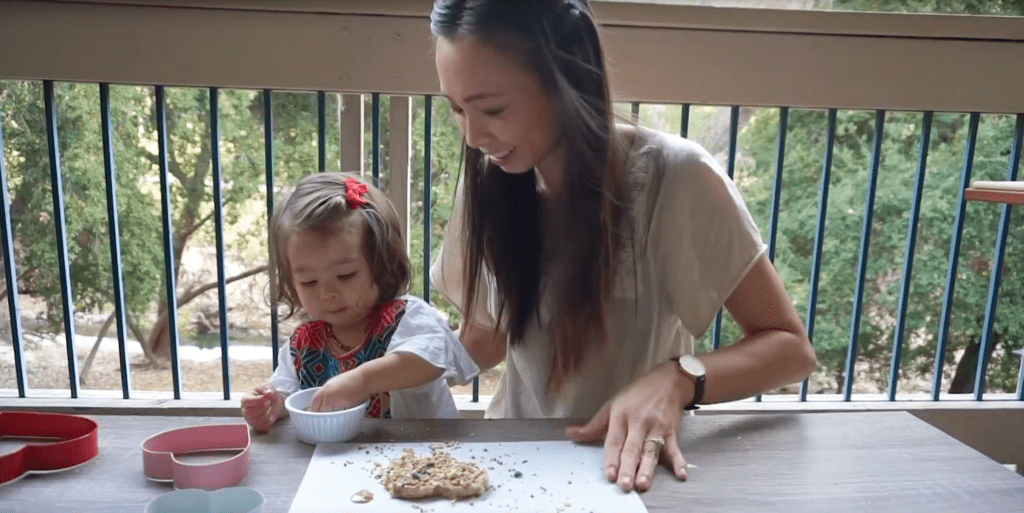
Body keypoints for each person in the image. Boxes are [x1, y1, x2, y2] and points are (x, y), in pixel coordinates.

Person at [428, 0, 817, 493]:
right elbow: (485, 338)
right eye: (456, 108)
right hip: (513, 469)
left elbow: (789, 349)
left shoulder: (677, 178)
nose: (473, 135)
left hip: (635, 472)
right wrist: (371, 372)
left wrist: (677, 380)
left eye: (492, 109)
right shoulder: (490, 179)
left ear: (567, 75)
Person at [241, 172, 478, 432]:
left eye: (345, 276)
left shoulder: (406, 318)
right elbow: (287, 392)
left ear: (382, 265)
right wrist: (271, 404)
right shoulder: (302, 345)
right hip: (334, 464)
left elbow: (432, 360)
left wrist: (363, 380)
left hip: (423, 459)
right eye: (309, 282)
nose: (327, 294)